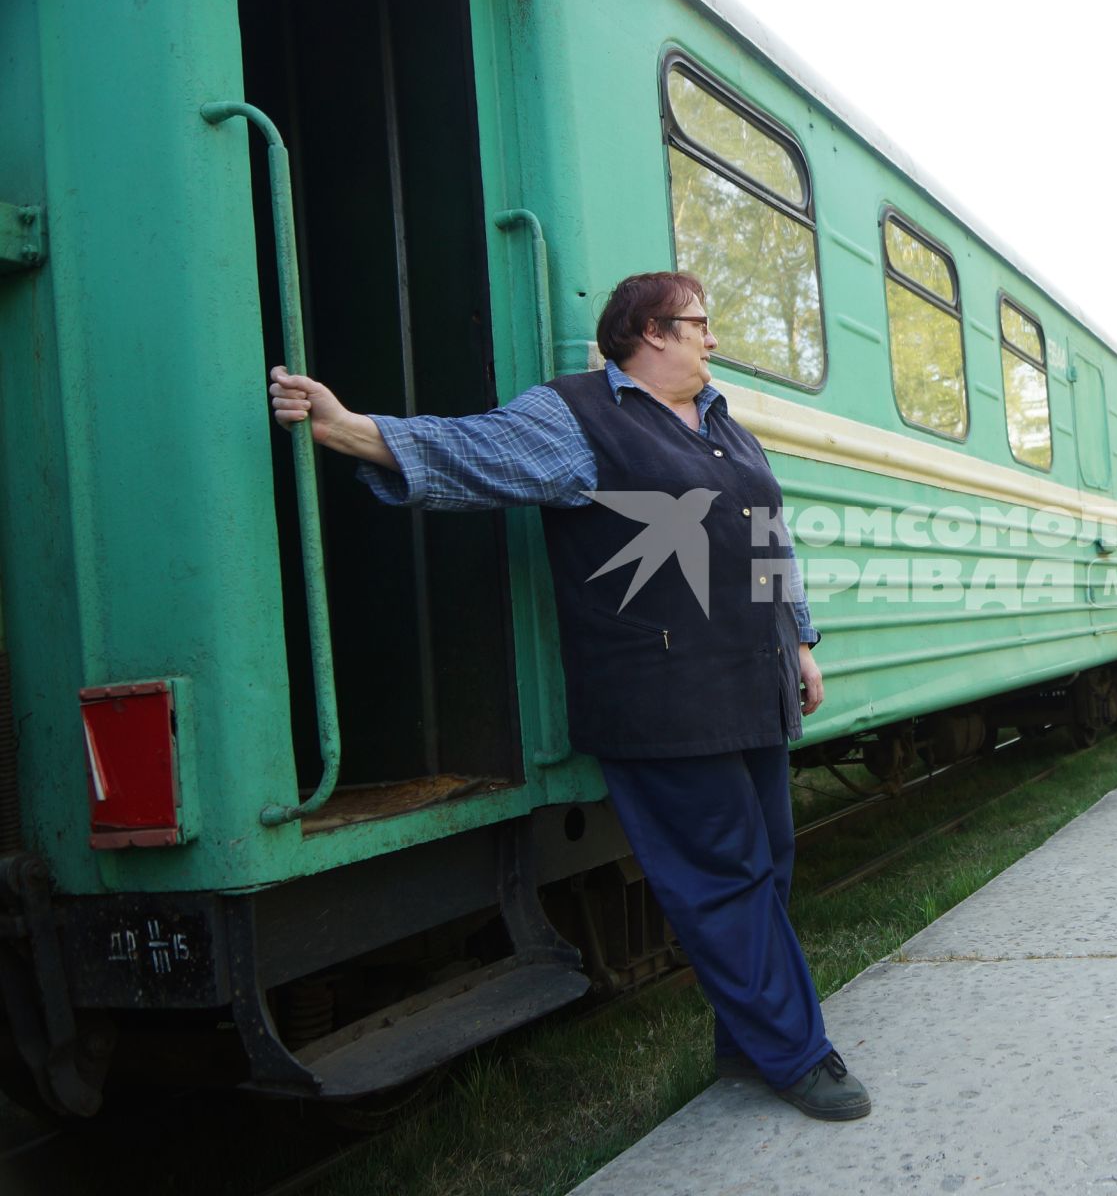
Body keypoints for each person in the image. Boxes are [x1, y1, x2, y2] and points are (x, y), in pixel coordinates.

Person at [267, 271, 871, 1121]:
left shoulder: (724, 423)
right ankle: (799, 1056)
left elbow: (770, 536)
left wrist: (800, 641)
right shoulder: (576, 415)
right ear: (651, 331)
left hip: (752, 683)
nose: (712, 339)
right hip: (660, 698)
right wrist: (355, 431)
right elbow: (477, 452)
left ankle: (746, 1042)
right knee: (723, 878)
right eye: (699, 324)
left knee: (766, 865)